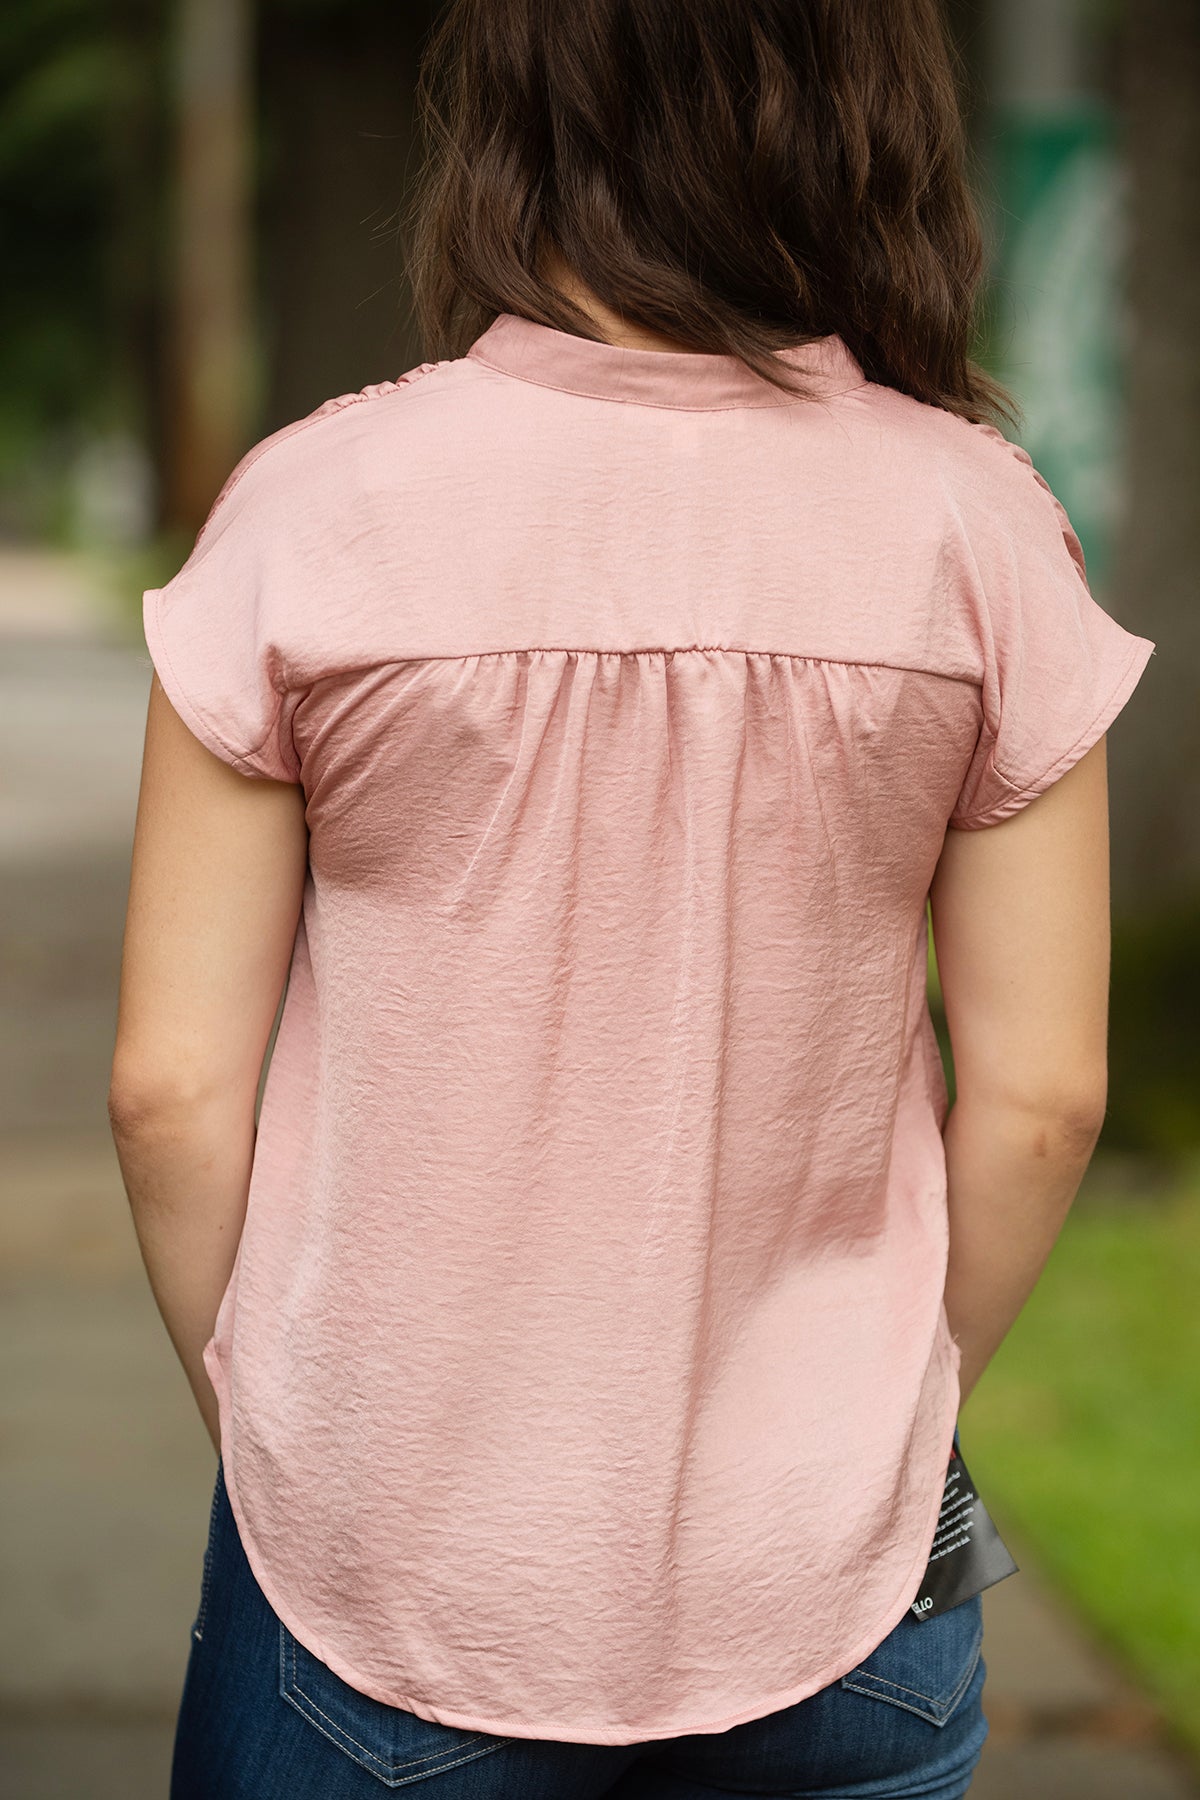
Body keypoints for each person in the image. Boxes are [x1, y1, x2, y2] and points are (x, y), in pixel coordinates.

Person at [108, 1, 1156, 1795]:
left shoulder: (317, 507)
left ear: (513, 115)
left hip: (389, 1566)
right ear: (864, 107)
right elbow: (1046, 1098)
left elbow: (170, 1092)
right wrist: (879, 1445)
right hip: (842, 1587)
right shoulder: (978, 531)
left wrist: (297, 1440)